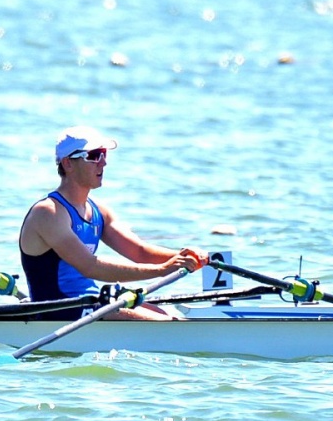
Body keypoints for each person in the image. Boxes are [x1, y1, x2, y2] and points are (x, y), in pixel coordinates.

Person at [17, 127, 205, 322]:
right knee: (166, 323)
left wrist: (186, 257)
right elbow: (90, 267)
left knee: (168, 315)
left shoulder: (99, 211)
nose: (103, 162)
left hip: (88, 304)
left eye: (104, 154)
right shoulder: (48, 213)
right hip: (58, 310)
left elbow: (139, 251)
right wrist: (161, 270)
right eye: (94, 155)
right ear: (68, 164)